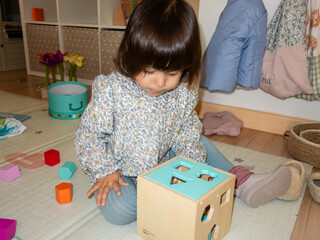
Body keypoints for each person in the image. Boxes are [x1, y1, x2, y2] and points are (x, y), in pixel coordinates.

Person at [74, 0, 301, 226]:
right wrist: (105, 171)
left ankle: (241, 182)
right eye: (149, 70)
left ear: (186, 67)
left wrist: (194, 170)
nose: (160, 82)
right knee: (122, 211)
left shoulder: (183, 92)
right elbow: (89, 136)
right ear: (130, 54)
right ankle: (163, 197)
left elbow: (186, 132)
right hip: (121, 170)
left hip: (165, 160)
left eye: (172, 73)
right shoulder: (111, 90)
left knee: (199, 141)